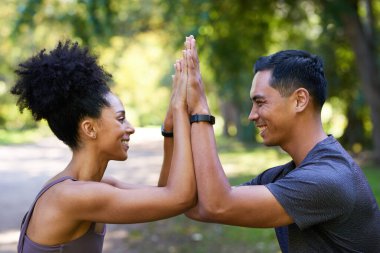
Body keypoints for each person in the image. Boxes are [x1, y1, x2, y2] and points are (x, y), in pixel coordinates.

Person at [183, 35, 380, 252]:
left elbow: (217, 205)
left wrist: (200, 111)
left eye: (260, 102)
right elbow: (192, 204)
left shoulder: (328, 179)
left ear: (299, 100)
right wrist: (173, 125)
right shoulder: (289, 175)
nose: (251, 115)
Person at [11, 40, 195, 253]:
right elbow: (181, 198)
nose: (131, 128)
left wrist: (170, 128)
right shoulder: (71, 196)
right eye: (121, 119)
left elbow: (166, 194)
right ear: (89, 129)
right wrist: (181, 109)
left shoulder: (93, 186)